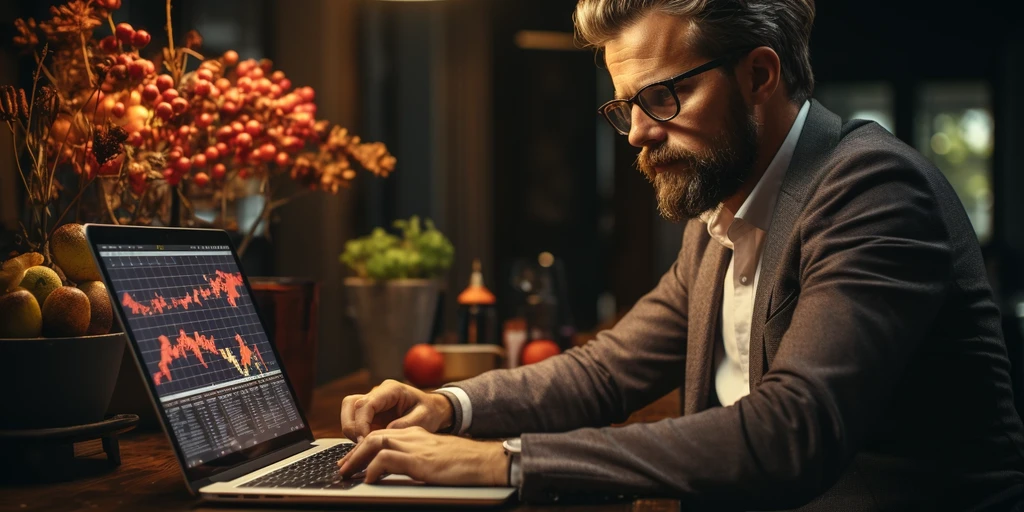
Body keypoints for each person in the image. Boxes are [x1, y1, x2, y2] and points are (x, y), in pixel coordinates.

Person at [336, 1, 1024, 509]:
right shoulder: (720, 213)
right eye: (625, 106)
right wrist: (449, 407)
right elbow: (608, 370)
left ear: (759, 74)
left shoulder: (870, 189)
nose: (636, 134)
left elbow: (792, 432)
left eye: (662, 97)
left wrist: (498, 463)